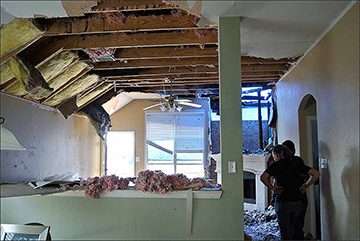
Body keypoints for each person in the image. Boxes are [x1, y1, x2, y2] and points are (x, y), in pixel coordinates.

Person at [260, 145, 320, 240]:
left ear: (276, 154)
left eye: (273, 155)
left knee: (285, 232)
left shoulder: (275, 166)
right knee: (295, 228)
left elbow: (263, 177)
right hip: (297, 201)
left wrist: (273, 188)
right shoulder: (297, 163)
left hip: (282, 202)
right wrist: (306, 185)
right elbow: (316, 173)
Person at [282, 140, 309, 240]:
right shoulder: (298, 161)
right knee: (297, 226)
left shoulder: (282, 163)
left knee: (287, 228)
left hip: (288, 199)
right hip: (299, 197)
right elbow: (310, 175)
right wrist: (306, 185)